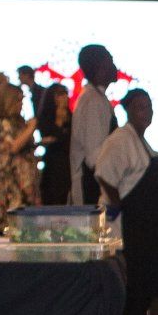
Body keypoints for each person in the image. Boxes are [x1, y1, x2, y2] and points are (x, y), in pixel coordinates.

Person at [94, 88, 158, 315]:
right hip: (127, 230)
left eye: (150, 106)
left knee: (143, 294)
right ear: (128, 110)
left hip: (145, 233)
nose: (147, 112)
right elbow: (104, 175)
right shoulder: (120, 140)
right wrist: (121, 205)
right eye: (141, 107)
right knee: (131, 294)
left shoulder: (142, 142)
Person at [69, 44, 119, 205]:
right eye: (110, 61)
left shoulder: (96, 98)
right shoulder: (93, 101)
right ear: (101, 67)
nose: (115, 67)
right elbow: (94, 157)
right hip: (91, 190)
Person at [0, 82, 40, 217]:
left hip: (27, 182)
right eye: (18, 100)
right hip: (11, 182)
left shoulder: (18, 121)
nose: (21, 104)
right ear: (8, 100)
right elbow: (12, 147)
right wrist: (30, 128)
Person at [36, 83, 73, 206]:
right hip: (53, 165)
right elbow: (51, 135)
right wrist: (59, 120)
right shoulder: (45, 117)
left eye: (65, 94)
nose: (64, 98)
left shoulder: (72, 117)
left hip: (69, 163)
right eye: (60, 95)